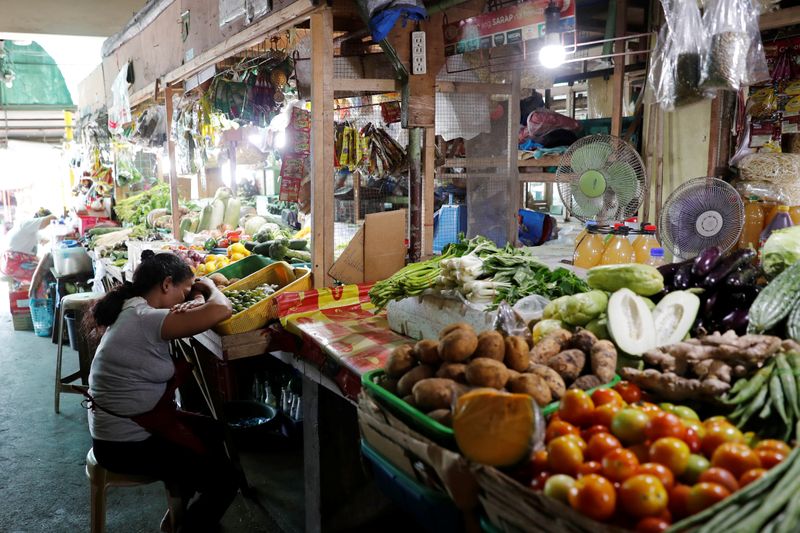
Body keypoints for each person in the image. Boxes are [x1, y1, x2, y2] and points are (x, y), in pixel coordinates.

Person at [83, 250, 236, 533]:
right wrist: (211, 288)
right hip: (124, 445)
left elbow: (194, 306)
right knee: (226, 480)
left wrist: (196, 297)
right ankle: (189, 525)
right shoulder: (146, 319)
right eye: (184, 291)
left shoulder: (133, 307)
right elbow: (222, 310)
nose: (184, 299)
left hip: (122, 429)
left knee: (213, 431)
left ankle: (180, 511)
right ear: (167, 284)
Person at [0, 209, 55, 283]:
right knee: (47, 273)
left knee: (47, 266)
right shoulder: (27, 223)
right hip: (13, 262)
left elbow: (44, 240)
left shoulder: (32, 231)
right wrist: (60, 220)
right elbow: (52, 218)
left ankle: (43, 292)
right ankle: (43, 293)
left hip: (14, 262)